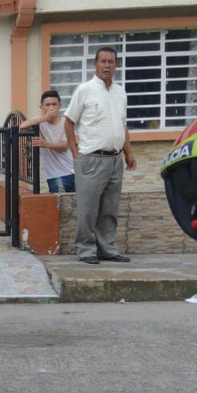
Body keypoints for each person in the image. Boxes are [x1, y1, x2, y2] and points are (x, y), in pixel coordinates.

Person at [64, 47, 137, 265]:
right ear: (95, 64)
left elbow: (122, 125)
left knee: (110, 208)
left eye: (111, 62)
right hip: (91, 159)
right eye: (103, 61)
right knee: (88, 209)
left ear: (116, 65)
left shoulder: (120, 92)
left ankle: (107, 248)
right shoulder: (84, 90)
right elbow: (68, 122)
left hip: (115, 160)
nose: (107, 65)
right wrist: (76, 154)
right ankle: (86, 249)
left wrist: (129, 153)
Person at [19, 90, 75, 193]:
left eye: (54, 104)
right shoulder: (40, 121)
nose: (51, 108)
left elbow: (64, 145)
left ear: (59, 106)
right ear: (41, 107)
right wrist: (45, 118)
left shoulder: (65, 123)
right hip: (55, 174)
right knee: (60, 206)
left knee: (75, 206)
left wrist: (45, 144)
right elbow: (22, 126)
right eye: (48, 105)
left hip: (73, 171)